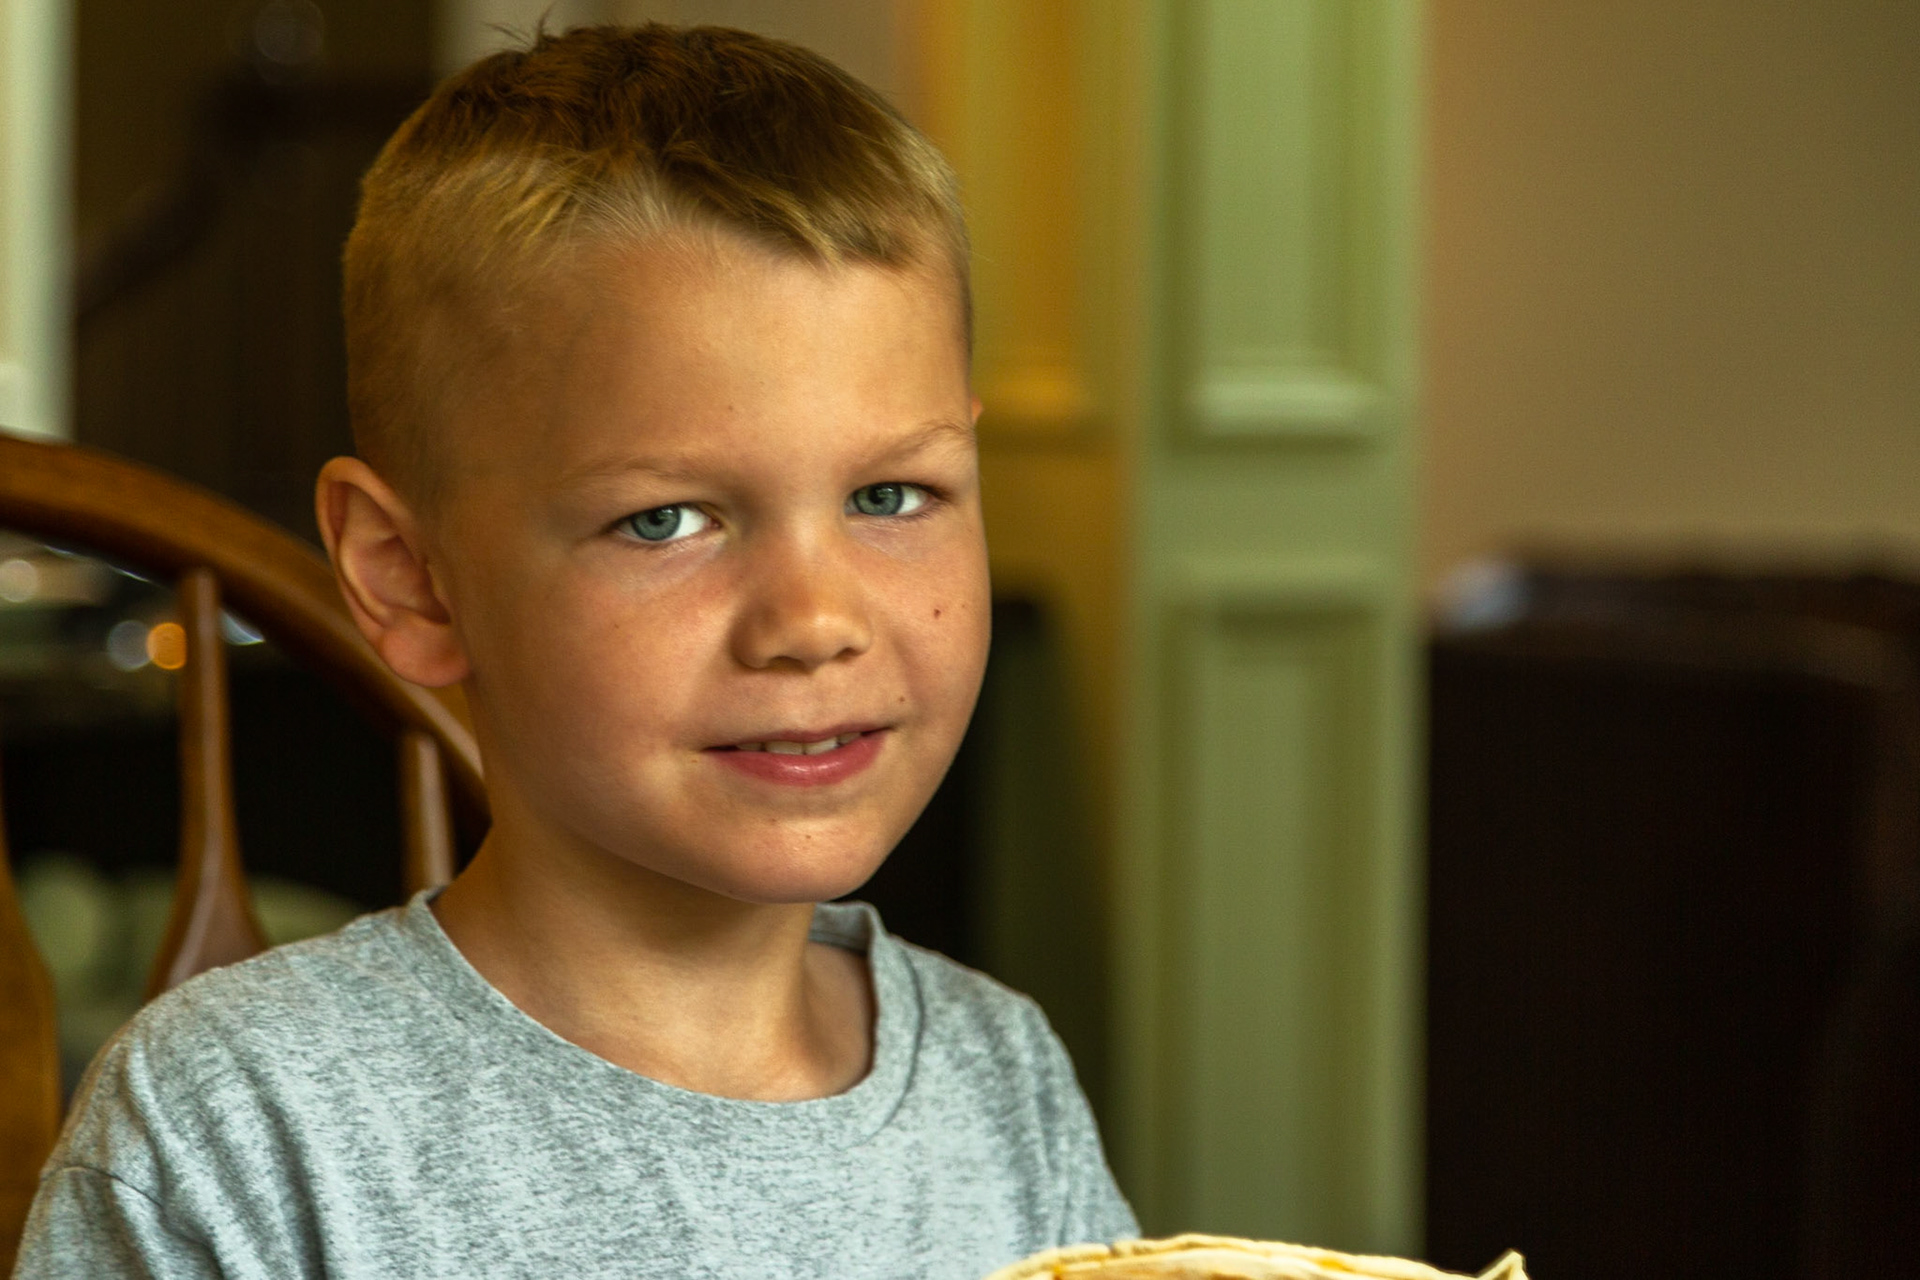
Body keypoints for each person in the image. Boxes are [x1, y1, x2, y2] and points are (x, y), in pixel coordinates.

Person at [15, 23, 1136, 1278]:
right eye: (665, 519)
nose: (816, 620)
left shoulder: (1001, 1073)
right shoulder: (237, 1122)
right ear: (410, 575)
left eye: (892, 495)